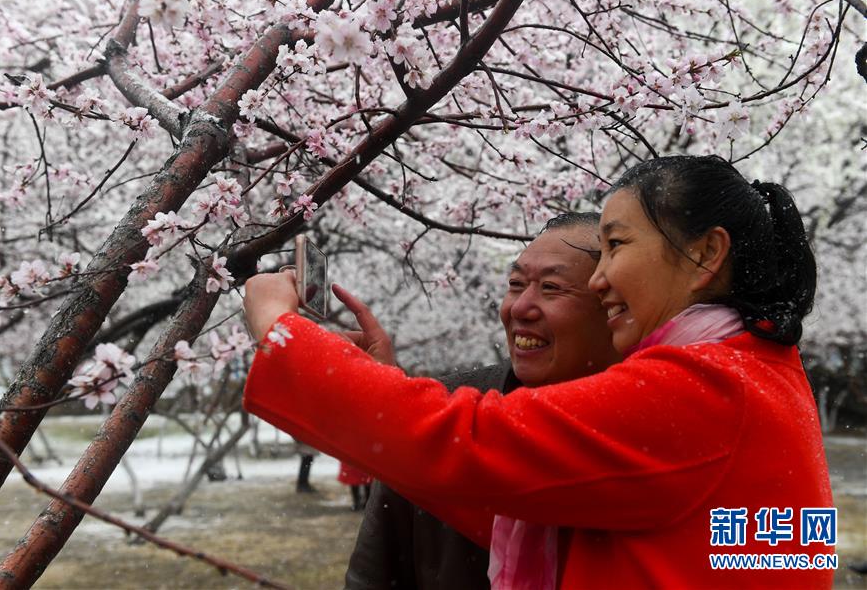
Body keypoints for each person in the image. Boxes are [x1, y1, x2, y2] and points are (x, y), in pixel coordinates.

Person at [242, 155, 833, 588]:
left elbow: (471, 443)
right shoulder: (756, 369)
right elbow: (534, 508)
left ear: (705, 253)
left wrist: (281, 333)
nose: (600, 279)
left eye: (617, 245)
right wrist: (381, 391)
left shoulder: (705, 384)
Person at [345, 213, 620, 589]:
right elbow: (373, 575)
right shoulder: (440, 411)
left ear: (613, 306)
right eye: (515, 284)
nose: (519, 308)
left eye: (552, 288)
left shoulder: (644, 429)